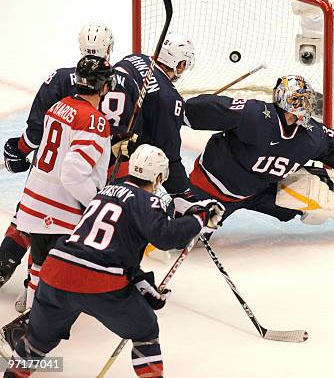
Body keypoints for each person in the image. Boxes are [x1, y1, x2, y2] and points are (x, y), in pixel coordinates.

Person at [2, 145, 224, 378]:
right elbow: (166, 236)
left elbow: (112, 247)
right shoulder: (147, 202)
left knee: (37, 343)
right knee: (146, 331)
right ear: (158, 177)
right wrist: (200, 218)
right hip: (97, 279)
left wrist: (140, 283)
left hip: (56, 269)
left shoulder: (103, 193)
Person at [0, 22, 140, 293]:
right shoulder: (130, 84)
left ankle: (14, 270)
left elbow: (36, 131)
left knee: (33, 220)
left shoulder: (63, 78)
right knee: (70, 234)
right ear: (109, 49)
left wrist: (20, 150)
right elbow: (132, 133)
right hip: (101, 169)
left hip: (58, 171)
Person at [182, 75, 334, 231]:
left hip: (261, 191)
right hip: (209, 189)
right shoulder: (253, 115)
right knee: (175, 238)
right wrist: (168, 111)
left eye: (305, 101)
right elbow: (196, 111)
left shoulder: (311, 135)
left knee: (319, 190)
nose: (302, 107)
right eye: (297, 101)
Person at [12, 55, 116, 310]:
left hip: (32, 203)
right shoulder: (94, 121)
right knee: (59, 273)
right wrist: (95, 203)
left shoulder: (58, 107)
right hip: (59, 210)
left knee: (38, 266)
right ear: (104, 87)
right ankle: (37, 329)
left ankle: (32, 319)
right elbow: (72, 171)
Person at [114, 32, 196, 200]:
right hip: (120, 156)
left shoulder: (133, 58)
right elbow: (168, 154)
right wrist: (184, 193)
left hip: (97, 131)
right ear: (179, 64)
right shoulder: (169, 99)